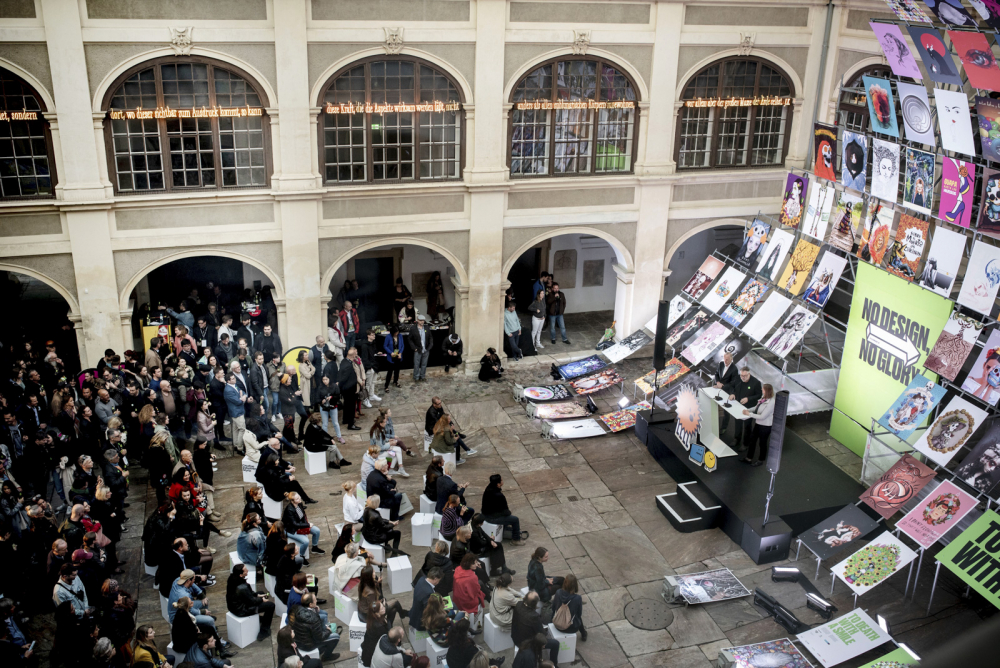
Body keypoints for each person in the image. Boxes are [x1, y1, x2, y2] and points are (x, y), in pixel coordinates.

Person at [226, 564, 275, 642]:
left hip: (234, 605)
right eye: (245, 570)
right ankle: (264, 630)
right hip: (241, 610)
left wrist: (259, 595)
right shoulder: (243, 587)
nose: (248, 570)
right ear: (241, 575)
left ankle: (260, 619)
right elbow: (252, 601)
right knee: (271, 605)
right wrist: (262, 600)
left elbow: (248, 594)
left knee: (261, 592)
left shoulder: (232, 579)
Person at [511, 595, 559, 664]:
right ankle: (553, 664)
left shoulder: (518, 604)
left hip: (516, 638)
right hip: (527, 643)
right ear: (534, 604)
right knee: (555, 644)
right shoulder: (534, 616)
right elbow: (542, 633)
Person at [481, 474, 527, 544]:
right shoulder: (499, 496)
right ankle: (516, 540)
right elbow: (506, 511)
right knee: (515, 520)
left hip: (486, 514)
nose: (503, 481)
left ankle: (505, 530)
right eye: (501, 480)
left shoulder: (488, 489)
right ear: (498, 484)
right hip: (492, 517)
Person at [727, 366, 762, 451]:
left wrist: (748, 399)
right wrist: (732, 393)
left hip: (749, 408)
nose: (742, 377)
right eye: (741, 375)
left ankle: (746, 443)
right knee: (737, 423)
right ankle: (737, 439)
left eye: (744, 376)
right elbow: (733, 387)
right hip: (738, 405)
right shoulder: (738, 379)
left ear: (749, 374)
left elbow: (759, 395)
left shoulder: (756, 382)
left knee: (747, 426)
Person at [742, 383, 776, 467]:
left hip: (765, 426)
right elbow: (756, 407)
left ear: (766, 391)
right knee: (752, 440)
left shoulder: (771, 403)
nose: (761, 390)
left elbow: (762, 416)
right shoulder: (763, 398)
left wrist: (749, 414)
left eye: (763, 389)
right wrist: (747, 410)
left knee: (762, 443)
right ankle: (748, 458)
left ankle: (761, 459)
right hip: (758, 424)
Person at [282, 492, 324, 556]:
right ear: (292, 501)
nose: (300, 499)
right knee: (305, 541)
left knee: (317, 531)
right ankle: (301, 556)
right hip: (291, 530)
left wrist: (306, 523)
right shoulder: (289, 510)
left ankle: (314, 547)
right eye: (297, 498)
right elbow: (294, 524)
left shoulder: (299, 504)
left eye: (299, 497)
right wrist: (307, 525)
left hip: (300, 525)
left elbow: (303, 515)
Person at [452, 553, 486, 630]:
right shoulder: (472, 577)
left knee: (481, 586)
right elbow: (474, 592)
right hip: (466, 602)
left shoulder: (457, 569)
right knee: (482, 591)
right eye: (474, 563)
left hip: (457, 599)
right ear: (468, 564)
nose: (476, 565)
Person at [550, 574, 586, 641]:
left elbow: (553, 608)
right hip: (571, 628)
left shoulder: (558, 592)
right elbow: (579, 614)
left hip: (557, 624)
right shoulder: (577, 598)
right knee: (578, 618)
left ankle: (584, 634)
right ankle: (583, 634)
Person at [410, 567, 442, 632]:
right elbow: (429, 611)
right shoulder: (428, 593)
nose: (439, 582)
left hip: (414, 614)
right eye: (439, 580)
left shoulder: (422, 579)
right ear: (435, 579)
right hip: (420, 622)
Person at [361, 599, 389, 666]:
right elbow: (388, 637)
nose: (384, 608)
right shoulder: (379, 627)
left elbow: (373, 605)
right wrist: (387, 622)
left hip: (368, 648)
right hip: (373, 654)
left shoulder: (371, 619)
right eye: (382, 608)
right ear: (377, 613)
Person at [339, 348, 361, 431]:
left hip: (346, 389)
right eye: (355, 354)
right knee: (351, 406)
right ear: (353, 356)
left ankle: (345, 420)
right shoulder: (348, 365)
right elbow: (344, 378)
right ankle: (351, 424)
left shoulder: (344, 361)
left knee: (347, 405)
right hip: (349, 390)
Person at [360, 329, 383, 404]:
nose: (374, 336)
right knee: (368, 383)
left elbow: (374, 352)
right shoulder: (364, 345)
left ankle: (371, 395)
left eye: (374, 335)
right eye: (372, 335)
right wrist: (370, 367)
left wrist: (377, 353)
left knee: (373, 382)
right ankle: (366, 398)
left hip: (375, 365)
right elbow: (365, 358)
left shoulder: (373, 343)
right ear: (368, 336)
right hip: (370, 367)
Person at [409, 316, 431, 382]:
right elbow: (410, 339)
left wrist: (429, 347)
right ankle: (416, 377)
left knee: (424, 364)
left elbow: (430, 338)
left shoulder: (426, 327)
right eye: (421, 320)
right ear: (417, 320)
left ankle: (422, 376)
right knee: (416, 364)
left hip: (426, 349)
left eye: (423, 320)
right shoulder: (413, 328)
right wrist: (414, 348)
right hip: (418, 349)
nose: (422, 322)